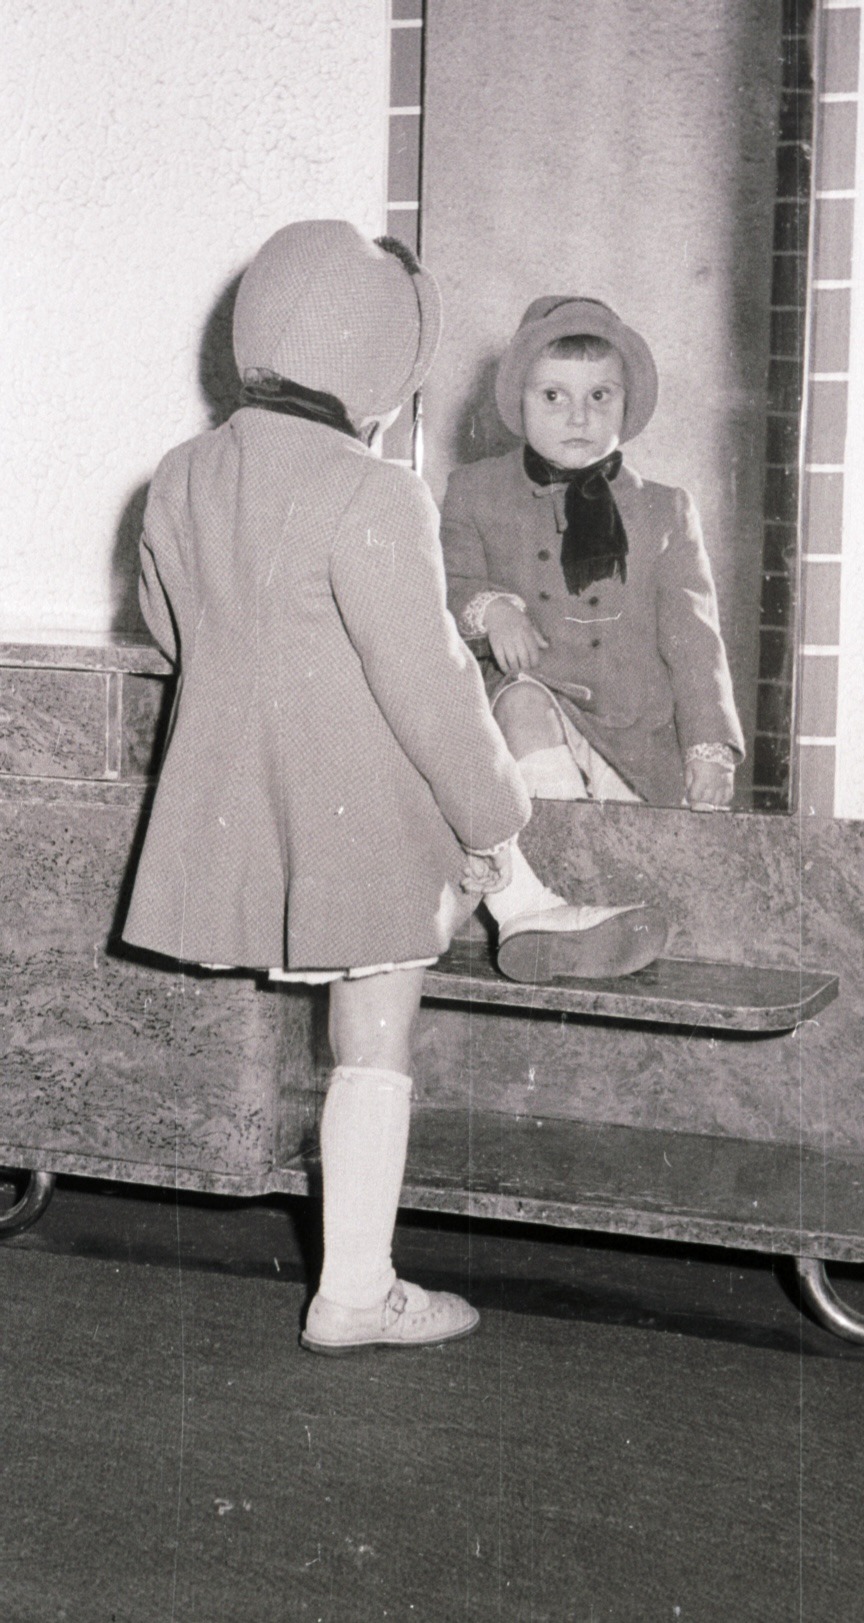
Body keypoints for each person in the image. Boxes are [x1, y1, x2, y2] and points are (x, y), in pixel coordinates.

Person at [122, 224, 667, 1355]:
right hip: (357, 817)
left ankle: (522, 903)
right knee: (373, 1035)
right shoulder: (374, 491)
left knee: (355, 1014)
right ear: (374, 364)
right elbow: (427, 688)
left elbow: (171, 634)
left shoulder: (178, 475)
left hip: (234, 804)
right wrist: (492, 819)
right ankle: (356, 1291)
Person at [440, 296, 745, 811]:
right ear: (519, 401)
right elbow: (444, 584)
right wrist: (491, 611)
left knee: (623, 861)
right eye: (553, 396)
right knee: (521, 701)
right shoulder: (475, 491)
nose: (578, 416)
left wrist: (709, 749)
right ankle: (555, 856)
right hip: (527, 714)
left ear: (628, 404)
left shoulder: (664, 510)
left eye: (600, 395)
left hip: (634, 735)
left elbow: (696, 644)